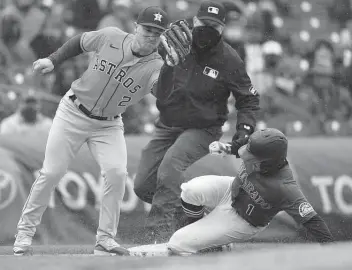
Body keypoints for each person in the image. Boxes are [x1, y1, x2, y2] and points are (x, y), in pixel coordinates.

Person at [13, 6, 169, 256]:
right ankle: (24, 234)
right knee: (52, 172)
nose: (151, 36)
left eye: (157, 33)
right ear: (136, 27)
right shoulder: (111, 36)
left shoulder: (157, 66)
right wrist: (52, 60)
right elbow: (80, 42)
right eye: (148, 29)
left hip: (108, 124)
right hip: (72, 112)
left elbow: (163, 94)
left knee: (117, 173)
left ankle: (105, 240)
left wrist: (177, 70)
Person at [133, 0, 260, 243]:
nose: (208, 29)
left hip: (203, 128)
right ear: (194, 22)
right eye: (204, 23)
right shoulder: (175, 42)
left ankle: (157, 235)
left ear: (222, 29)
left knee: (170, 166)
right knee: (142, 185)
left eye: (214, 25)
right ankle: (198, 222)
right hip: (168, 123)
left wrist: (244, 129)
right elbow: (146, 69)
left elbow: (249, 99)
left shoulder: (229, 59)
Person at [167, 128, 334, 255]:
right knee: (190, 190)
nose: (247, 157)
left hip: (243, 220)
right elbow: (242, 146)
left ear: (270, 162)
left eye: (252, 157)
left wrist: (335, 255)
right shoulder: (261, 150)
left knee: (178, 242)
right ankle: (210, 243)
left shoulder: (285, 187)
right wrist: (225, 148)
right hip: (230, 190)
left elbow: (313, 222)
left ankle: (205, 246)